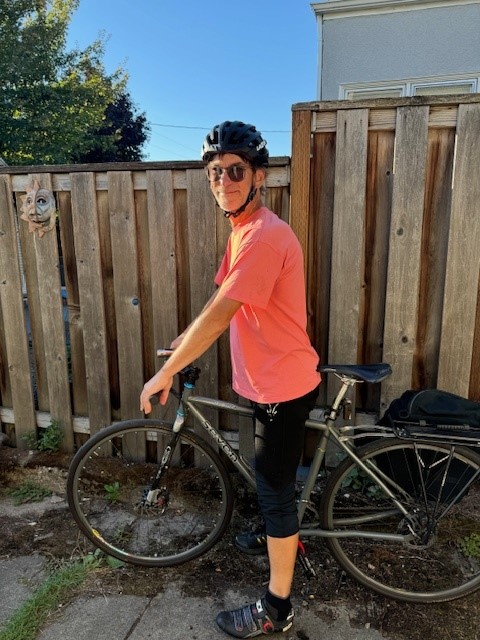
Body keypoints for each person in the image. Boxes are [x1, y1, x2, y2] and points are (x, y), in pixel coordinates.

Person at [140, 120, 320, 638]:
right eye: (216, 173)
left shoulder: (263, 236)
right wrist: (181, 342)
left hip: (281, 388)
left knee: (275, 492)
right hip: (268, 381)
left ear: (259, 175)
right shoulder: (242, 231)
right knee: (273, 491)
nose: (224, 181)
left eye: (236, 170)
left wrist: (165, 373)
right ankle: (275, 531)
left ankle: (277, 608)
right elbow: (217, 303)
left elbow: (222, 315)